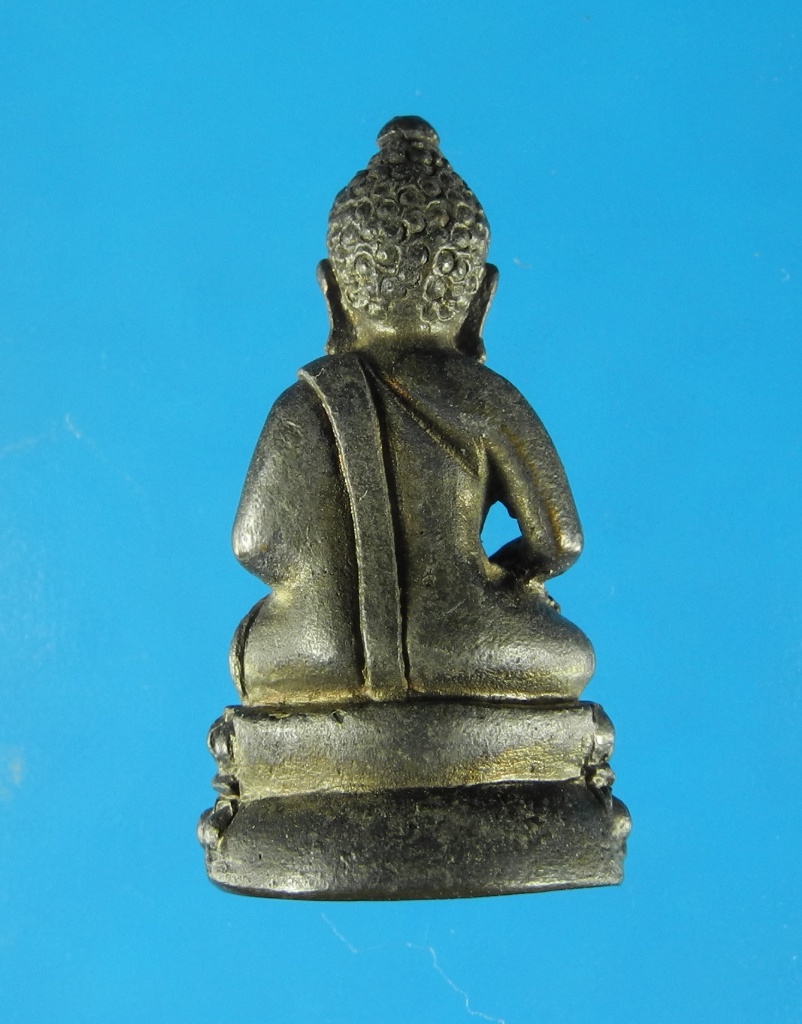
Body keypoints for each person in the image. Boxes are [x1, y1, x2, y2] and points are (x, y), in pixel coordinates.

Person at [229, 116, 594, 708]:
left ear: (332, 293)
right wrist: (500, 582)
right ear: (481, 298)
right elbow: (558, 543)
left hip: (315, 651)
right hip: (466, 641)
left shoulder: (302, 402)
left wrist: (324, 594)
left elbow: (255, 544)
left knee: (256, 649)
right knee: (571, 654)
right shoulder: (489, 397)